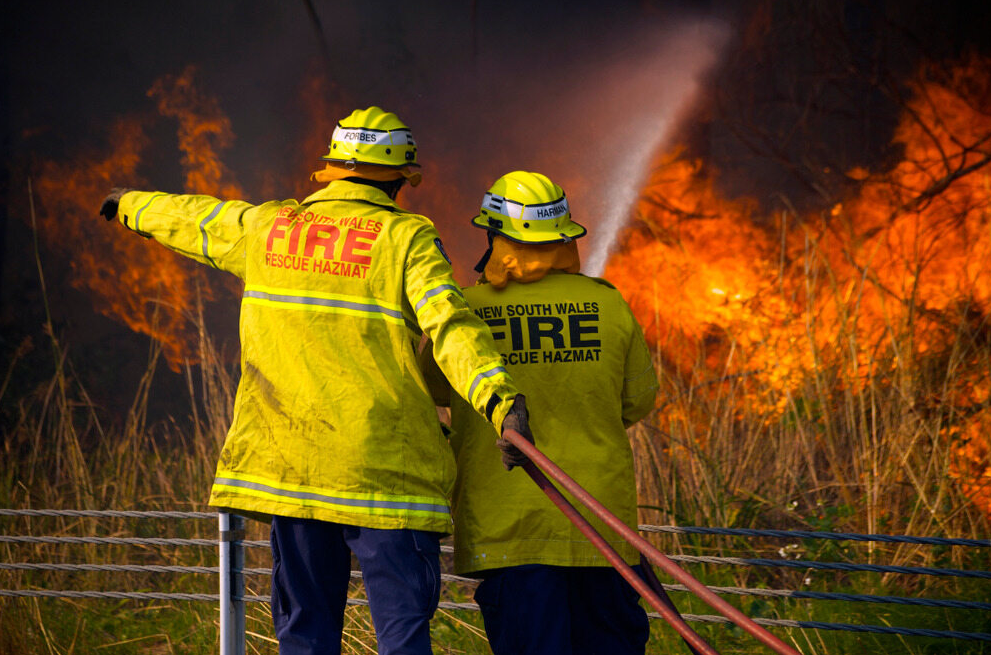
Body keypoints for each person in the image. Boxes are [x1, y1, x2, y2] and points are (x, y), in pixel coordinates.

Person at [99, 107, 533, 655]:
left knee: (305, 636)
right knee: (401, 638)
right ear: (399, 180)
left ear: (331, 171)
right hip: (384, 481)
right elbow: (450, 326)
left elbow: (196, 219)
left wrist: (128, 203)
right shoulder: (405, 238)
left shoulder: (268, 227)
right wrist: (503, 403)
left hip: (293, 473)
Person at [420, 171, 659, 655]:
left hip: (510, 532)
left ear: (493, 235)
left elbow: (433, 388)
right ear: (563, 237)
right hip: (601, 528)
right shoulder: (608, 305)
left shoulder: (465, 312)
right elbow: (637, 401)